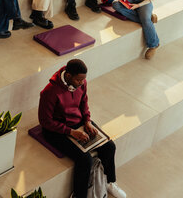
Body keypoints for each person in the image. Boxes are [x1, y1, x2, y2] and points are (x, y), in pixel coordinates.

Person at [38, 59, 126, 198]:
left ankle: (109, 182)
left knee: (109, 146)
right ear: (68, 76)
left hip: (78, 122)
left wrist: (87, 121)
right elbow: (45, 121)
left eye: (83, 80)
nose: (82, 83)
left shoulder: (81, 83)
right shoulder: (50, 92)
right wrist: (71, 132)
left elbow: (84, 103)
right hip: (56, 130)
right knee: (84, 160)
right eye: (79, 80)